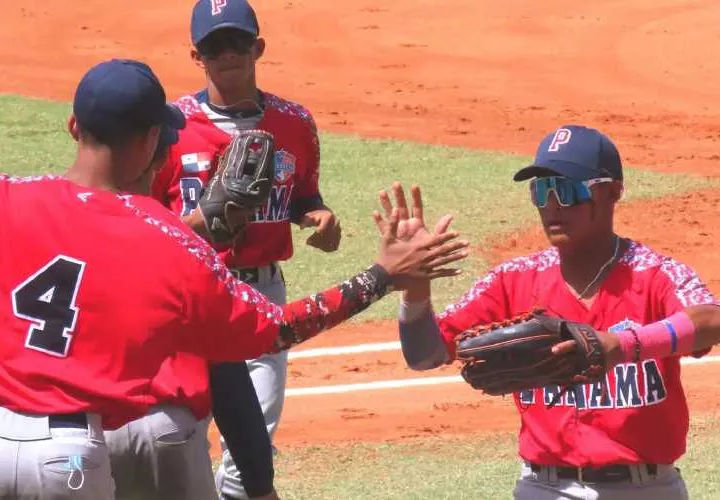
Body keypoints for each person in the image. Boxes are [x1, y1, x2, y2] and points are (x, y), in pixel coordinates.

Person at [0, 57, 468, 499]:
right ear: (150, 143)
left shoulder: (9, 197)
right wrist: (383, 274)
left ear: (73, 126)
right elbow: (277, 327)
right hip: (68, 464)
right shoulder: (166, 244)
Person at [392, 125, 720, 500]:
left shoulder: (654, 273)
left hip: (647, 488)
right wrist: (415, 290)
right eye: (540, 192)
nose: (551, 206)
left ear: (612, 192)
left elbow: (712, 319)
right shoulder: (512, 279)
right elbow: (423, 356)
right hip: (544, 488)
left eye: (566, 191)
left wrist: (621, 345)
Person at [137, 0, 342, 498]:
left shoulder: (295, 122)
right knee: (178, 434)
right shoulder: (170, 127)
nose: (226, 53)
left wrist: (318, 215)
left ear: (258, 48)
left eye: (236, 42)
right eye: (213, 46)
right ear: (196, 56)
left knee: (251, 449)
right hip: (187, 298)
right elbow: (141, 216)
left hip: (261, 295)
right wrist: (202, 224)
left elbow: (303, 194)